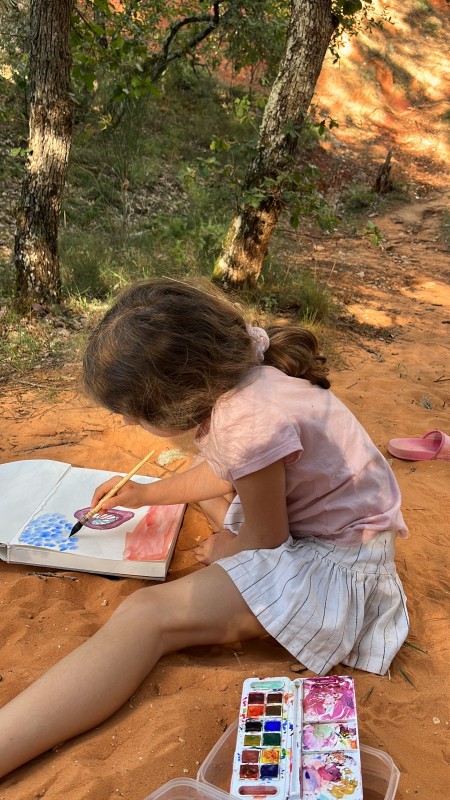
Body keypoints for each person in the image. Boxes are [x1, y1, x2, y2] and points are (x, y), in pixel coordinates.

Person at [0, 277, 409, 778]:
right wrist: (144, 494)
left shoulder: (246, 419)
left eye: (132, 415)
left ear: (169, 401)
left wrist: (226, 548)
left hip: (337, 561)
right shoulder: (247, 374)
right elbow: (228, 473)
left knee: (145, 615)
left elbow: (267, 539)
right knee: (218, 498)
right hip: (335, 524)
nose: (130, 425)